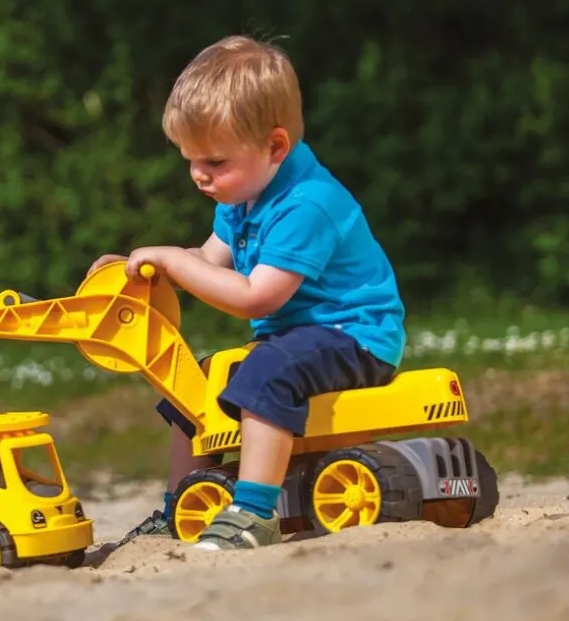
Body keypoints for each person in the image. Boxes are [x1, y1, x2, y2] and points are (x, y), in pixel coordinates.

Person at [92, 36, 405, 552]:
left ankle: (254, 513)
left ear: (275, 147)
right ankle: (180, 505)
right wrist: (145, 271)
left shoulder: (307, 204)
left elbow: (257, 298)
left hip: (353, 335)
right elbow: (207, 259)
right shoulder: (243, 194)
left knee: (266, 372)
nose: (199, 175)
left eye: (214, 161)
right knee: (191, 380)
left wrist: (172, 259)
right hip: (298, 338)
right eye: (191, 159)